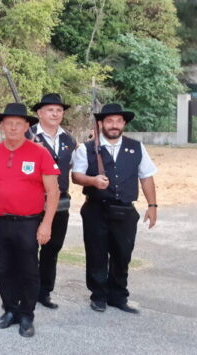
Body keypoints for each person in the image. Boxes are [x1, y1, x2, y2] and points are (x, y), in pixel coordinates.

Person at [0, 103, 60, 338]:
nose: (13, 127)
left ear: (27, 126)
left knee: (28, 270)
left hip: (28, 223)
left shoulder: (40, 153)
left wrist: (46, 224)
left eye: (18, 123)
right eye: (9, 123)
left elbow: (53, 192)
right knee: (3, 269)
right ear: (2, 126)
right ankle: (10, 310)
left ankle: (27, 314)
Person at [71, 103, 158, 314]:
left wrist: (152, 205)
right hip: (96, 209)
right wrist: (92, 181)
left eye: (118, 121)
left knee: (123, 254)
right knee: (96, 253)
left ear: (124, 123)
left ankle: (118, 296)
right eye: (109, 121)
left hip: (125, 211)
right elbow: (76, 176)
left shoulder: (136, 147)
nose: (114, 125)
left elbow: (146, 177)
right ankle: (98, 296)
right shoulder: (86, 149)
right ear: (101, 123)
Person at [28, 93, 77, 309]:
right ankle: (27, 289)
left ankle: (44, 292)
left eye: (58, 110)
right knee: (29, 248)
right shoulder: (27, 135)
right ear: (39, 113)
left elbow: (73, 168)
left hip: (60, 202)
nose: (55, 113)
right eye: (50, 110)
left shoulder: (69, 140)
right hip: (33, 200)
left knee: (53, 247)